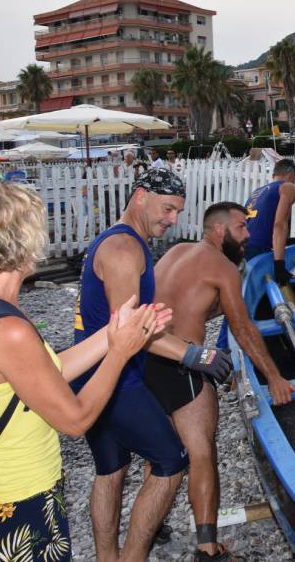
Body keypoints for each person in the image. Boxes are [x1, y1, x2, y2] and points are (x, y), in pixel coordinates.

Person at [0, 183, 170, 562]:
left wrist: (115, 331)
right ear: (30, 239)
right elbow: (76, 419)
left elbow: (49, 372)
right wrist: (118, 353)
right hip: (17, 504)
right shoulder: (8, 330)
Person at [73, 169, 233, 562]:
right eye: (167, 208)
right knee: (170, 461)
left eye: (178, 211)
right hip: (113, 380)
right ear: (140, 196)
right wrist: (197, 354)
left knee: (111, 470)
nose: (173, 219)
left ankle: (107, 558)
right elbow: (129, 330)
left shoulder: (117, 239)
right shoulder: (126, 251)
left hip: (90, 374)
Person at [145, 202, 295, 561]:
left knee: (162, 454)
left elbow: (187, 303)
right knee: (201, 454)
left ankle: (151, 526)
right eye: (241, 228)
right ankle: (208, 546)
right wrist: (274, 376)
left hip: (148, 359)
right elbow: (243, 329)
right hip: (185, 366)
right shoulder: (223, 267)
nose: (247, 235)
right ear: (219, 231)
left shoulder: (175, 252)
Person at [245, 159, 295, 278]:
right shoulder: (288, 187)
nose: (294, 182)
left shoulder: (257, 192)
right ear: (291, 175)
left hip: (240, 245)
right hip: (258, 248)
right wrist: (279, 264)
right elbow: (280, 224)